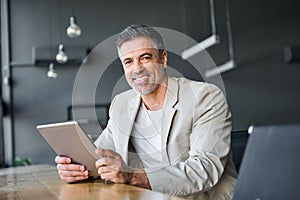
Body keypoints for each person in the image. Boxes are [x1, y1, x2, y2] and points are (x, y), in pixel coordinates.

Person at [55, 24, 237, 199]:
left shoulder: (205, 97)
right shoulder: (121, 104)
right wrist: (77, 169)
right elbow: (99, 155)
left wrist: (131, 176)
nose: (137, 68)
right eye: (128, 61)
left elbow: (204, 171)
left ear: (163, 59)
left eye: (145, 57)